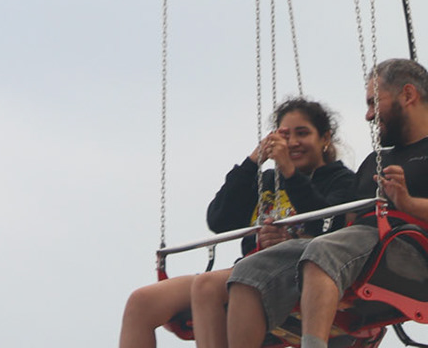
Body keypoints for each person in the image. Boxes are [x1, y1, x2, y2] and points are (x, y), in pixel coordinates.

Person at [117, 98, 357, 348]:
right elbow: (219, 219)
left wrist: (289, 174)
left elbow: (328, 223)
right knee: (141, 301)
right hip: (245, 271)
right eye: (286, 135)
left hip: (295, 275)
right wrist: (253, 162)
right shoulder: (268, 180)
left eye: (303, 133)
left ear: (324, 137)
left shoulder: (341, 180)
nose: (293, 143)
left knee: (207, 286)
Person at [226, 58, 428, 348]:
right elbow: (340, 225)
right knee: (248, 271)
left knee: (324, 250)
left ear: (408, 95)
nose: (369, 115)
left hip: (410, 254)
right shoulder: (376, 160)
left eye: (374, 103)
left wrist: (406, 203)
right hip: (361, 246)